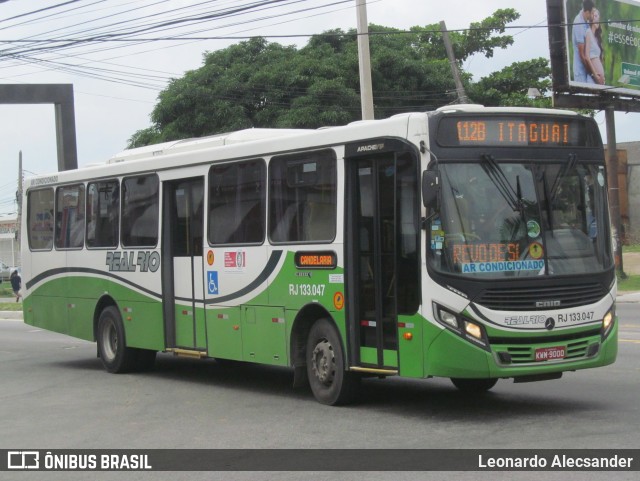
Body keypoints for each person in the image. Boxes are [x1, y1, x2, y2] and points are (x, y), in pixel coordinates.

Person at [572, 0, 596, 83]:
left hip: (587, 69)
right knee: (583, 95)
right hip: (581, 71)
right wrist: (592, 73)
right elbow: (582, 54)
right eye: (592, 12)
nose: (593, 15)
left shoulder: (586, 21)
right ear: (587, 12)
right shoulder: (578, 22)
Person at [585, 8, 605, 85]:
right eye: (595, 16)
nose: (597, 19)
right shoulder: (588, 32)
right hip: (593, 78)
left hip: (599, 80)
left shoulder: (597, 38)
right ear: (591, 18)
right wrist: (595, 74)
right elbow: (587, 57)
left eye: (598, 17)